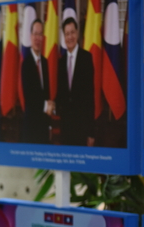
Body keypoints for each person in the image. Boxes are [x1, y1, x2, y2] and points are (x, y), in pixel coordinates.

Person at [57, 17, 95, 146]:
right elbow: (61, 95)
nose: (70, 37)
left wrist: (91, 133)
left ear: (77, 34)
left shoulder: (86, 58)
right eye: (67, 34)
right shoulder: (61, 62)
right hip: (65, 129)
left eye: (72, 32)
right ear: (64, 37)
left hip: (82, 129)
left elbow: (90, 97)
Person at [21, 19, 53, 144]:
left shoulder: (45, 62)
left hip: (44, 128)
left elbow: (47, 93)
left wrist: (49, 125)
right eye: (35, 34)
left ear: (43, 37)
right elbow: (29, 97)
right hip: (31, 127)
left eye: (40, 34)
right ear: (31, 36)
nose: (37, 38)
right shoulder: (26, 64)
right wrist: (46, 106)